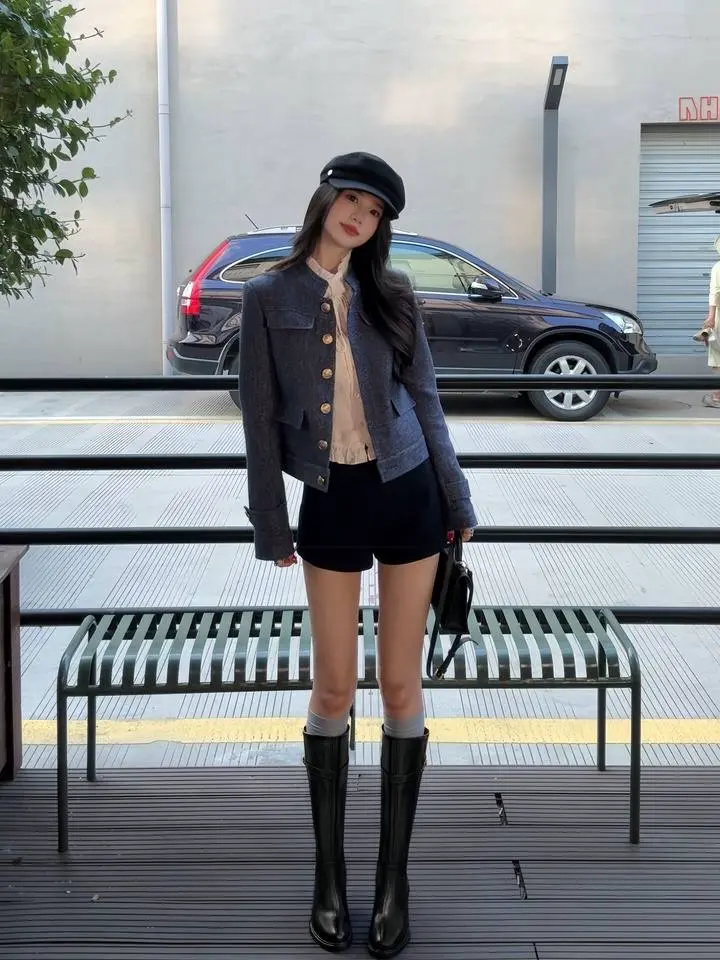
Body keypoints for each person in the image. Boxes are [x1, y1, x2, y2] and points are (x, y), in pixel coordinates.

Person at [238, 152, 477, 956]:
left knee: (401, 682)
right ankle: (330, 877)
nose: (360, 219)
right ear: (325, 201)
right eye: (351, 202)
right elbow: (259, 419)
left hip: (408, 493)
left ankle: (392, 882)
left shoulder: (393, 293)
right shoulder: (268, 296)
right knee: (335, 685)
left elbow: (428, 401)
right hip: (330, 500)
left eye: (375, 213)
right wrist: (272, 525)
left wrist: (458, 503)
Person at [699, 236, 720, 408]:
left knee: (717, 356)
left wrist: (711, 317)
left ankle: (718, 396)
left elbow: (715, 293)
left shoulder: (718, 267)